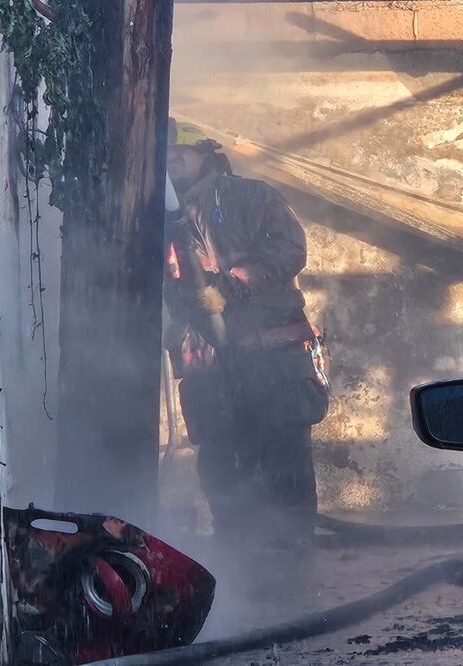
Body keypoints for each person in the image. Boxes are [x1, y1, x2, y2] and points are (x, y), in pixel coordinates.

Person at [163, 119, 329, 547]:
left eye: (181, 151)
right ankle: (236, 556)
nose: (173, 159)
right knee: (222, 463)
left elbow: (290, 247)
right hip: (209, 367)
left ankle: (291, 555)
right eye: (167, 154)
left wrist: (235, 282)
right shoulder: (156, 219)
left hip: (273, 359)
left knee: (284, 459)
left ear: (206, 153)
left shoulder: (250, 196)